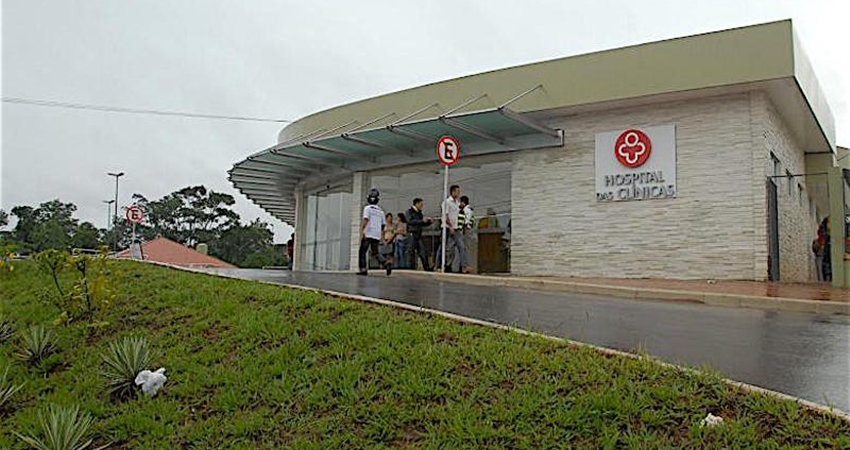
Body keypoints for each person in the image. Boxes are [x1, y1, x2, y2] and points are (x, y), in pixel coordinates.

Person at [357, 188, 392, 276]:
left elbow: (366, 219)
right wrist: (381, 234)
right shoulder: (381, 211)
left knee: (362, 251)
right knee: (375, 252)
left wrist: (363, 230)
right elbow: (383, 225)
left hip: (368, 232)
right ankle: (385, 263)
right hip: (376, 234)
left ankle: (363, 269)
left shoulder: (367, 208)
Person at [439, 185, 470, 273]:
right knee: (444, 248)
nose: (459, 193)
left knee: (461, 246)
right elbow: (446, 216)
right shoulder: (447, 202)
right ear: (453, 192)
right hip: (447, 228)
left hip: (456, 228)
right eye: (457, 191)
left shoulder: (457, 203)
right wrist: (450, 227)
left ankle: (464, 266)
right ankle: (439, 265)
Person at [405, 198, 433, 271]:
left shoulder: (420, 213)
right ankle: (410, 268)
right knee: (410, 251)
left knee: (422, 251)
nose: (422, 206)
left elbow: (421, 223)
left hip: (418, 234)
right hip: (412, 233)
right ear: (416, 203)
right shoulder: (409, 212)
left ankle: (426, 267)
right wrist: (421, 221)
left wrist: (428, 222)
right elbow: (409, 221)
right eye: (421, 204)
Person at [459, 195, 477, 273]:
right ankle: (465, 265)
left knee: (465, 248)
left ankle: (467, 266)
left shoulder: (466, 210)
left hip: (467, 230)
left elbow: (466, 221)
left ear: (463, 202)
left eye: (460, 202)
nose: (459, 204)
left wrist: (462, 228)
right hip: (468, 230)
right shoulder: (469, 209)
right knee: (465, 248)